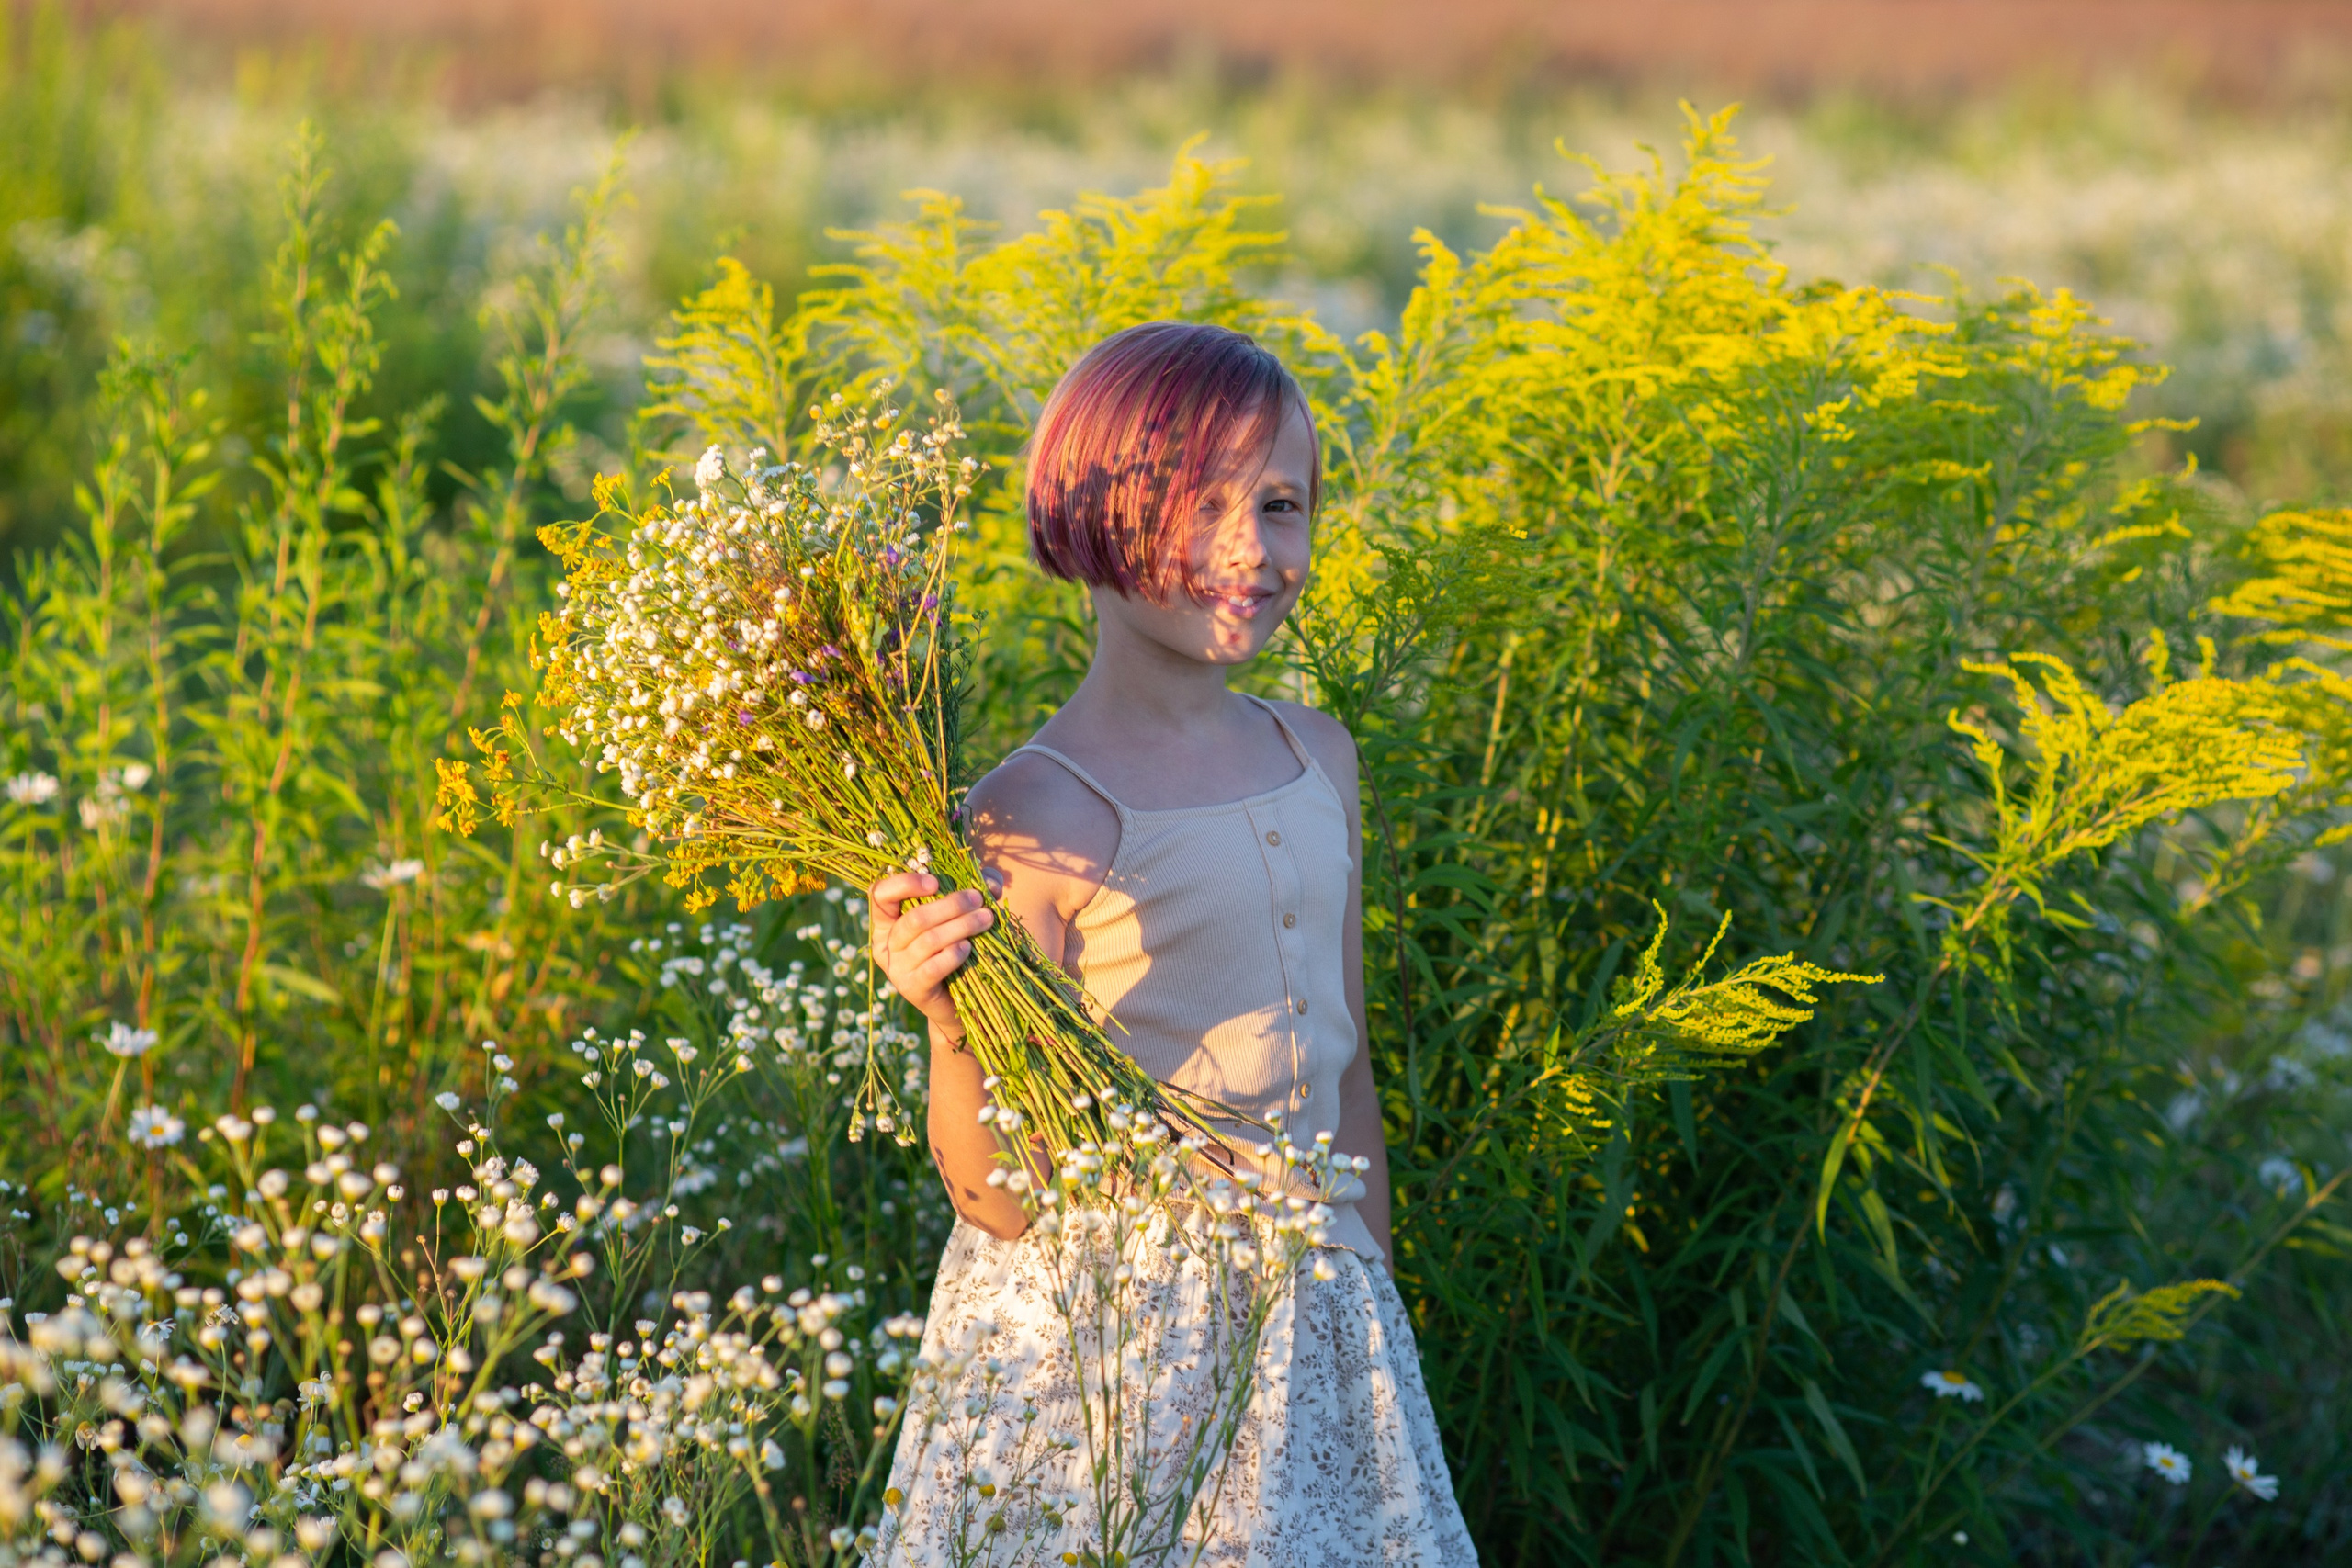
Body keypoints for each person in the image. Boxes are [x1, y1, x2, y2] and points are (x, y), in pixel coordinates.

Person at [865, 321, 1476, 1564]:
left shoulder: (1321, 756)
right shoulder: (1034, 815)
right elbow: (994, 1197)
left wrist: (1370, 1292)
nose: (1253, 549)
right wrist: (944, 1024)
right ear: (1089, 518)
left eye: (1283, 503)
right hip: (1116, 1339)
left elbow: (1343, 1067)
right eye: (1202, 506)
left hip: (1318, 1314)